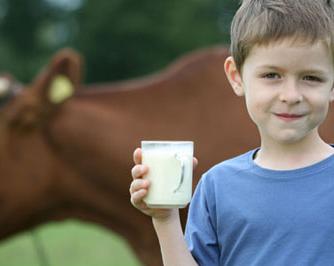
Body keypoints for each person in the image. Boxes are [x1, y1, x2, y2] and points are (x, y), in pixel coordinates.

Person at [129, 0, 334, 265]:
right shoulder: (216, 187)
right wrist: (165, 218)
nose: (291, 95)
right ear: (236, 77)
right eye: (272, 75)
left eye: (311, 78)